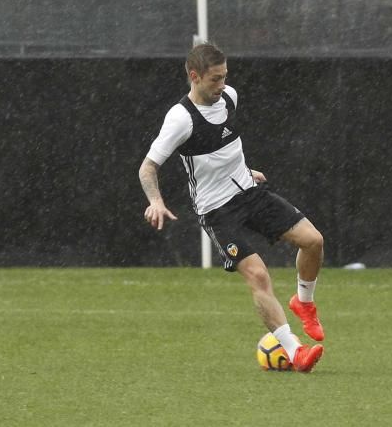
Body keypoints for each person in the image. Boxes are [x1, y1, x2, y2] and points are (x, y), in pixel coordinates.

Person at [138, 43, 325, 372]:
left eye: (224, 77)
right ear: (194, 77)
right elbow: (148, 167)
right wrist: (155, 200)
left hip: (250, 192)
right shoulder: (180, 118)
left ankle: (304, 302)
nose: (222, 85)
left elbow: (225, 146)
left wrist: (245, 170)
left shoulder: (229, 97)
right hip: (218, 211)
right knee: (258, 276)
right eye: (214, 79)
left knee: (314, 241)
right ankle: (295, 351)